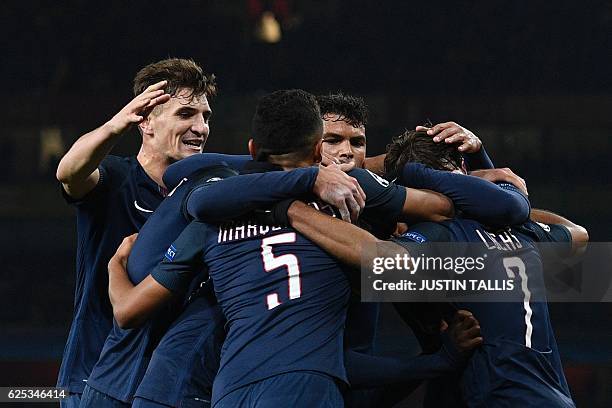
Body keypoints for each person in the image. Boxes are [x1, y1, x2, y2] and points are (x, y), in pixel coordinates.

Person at [107, 90, 484, 407]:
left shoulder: (220, 210)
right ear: (318, 148)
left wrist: (113, 266)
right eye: (333, 141)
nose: (345, 154)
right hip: (291, 384)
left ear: (254, 148)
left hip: (227, 388)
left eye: (357, 144)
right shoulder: (350, 198)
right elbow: (439, 215)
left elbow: (188, 184)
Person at [275, 130, 587, 407]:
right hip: (553, 396)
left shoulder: (440, 236)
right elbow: (578, 235)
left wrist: (294, 212)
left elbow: (379, 264)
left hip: (497, 396)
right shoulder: (523, 232)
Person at [55, 58, 216, 407]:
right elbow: (68, 172)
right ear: (144, 121)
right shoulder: (115, 179)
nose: (201, 127)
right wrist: (116, 124)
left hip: (169, 385)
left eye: (205, 117)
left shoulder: (205, 194)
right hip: (95, 374)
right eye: (186, 114)